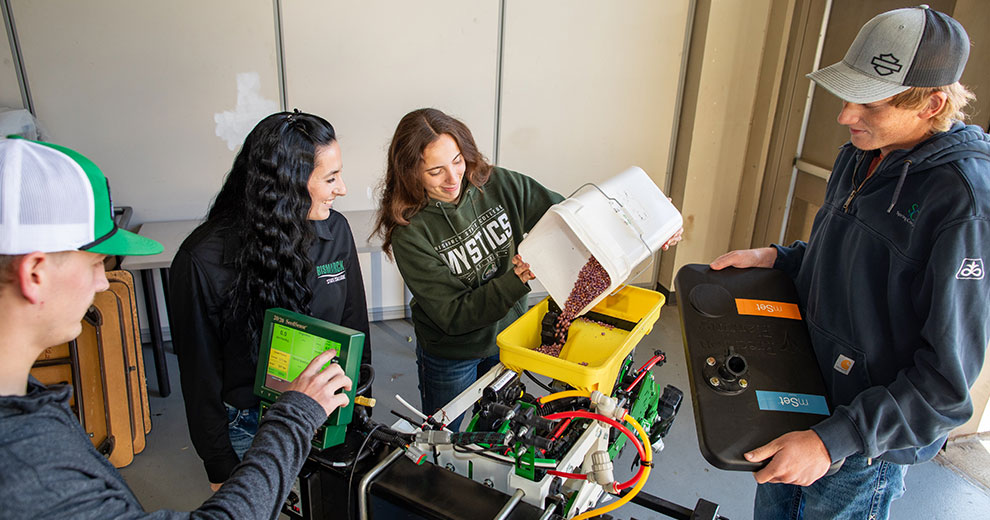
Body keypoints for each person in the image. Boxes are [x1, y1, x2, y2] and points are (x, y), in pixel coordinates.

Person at [710, 6, 989, 519]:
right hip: (802, 401)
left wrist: (832, 442)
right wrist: (779, 258)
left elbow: (945, 388)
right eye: (848, 98)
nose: (845, 117)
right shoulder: (864, 152)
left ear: (932, 103)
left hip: (861, 449)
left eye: (870, 105)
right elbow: (848, 262)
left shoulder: (963, 204)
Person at [0, 136, 352, 518]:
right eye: (96, 262)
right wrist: (294, 414)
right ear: (34, 273)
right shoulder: (28, 467)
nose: (104, 283)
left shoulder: (28, 410)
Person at [170, 110, 370, 489]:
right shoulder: (202, 261)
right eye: (330, 178)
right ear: (289, 184)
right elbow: (200, 377)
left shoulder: (335, 230)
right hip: (249, 425)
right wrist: (219, 465)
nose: (342, 189)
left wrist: (357, 405)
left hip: (328, 410)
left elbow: (354, 324)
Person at [372, 108, 565, 428]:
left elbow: (565, 217)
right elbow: (455, 314)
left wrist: (640, 226)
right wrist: (516, 280)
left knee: (494, 430)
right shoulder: (410, 233)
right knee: (444, 435)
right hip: (452, 353)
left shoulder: (498, 184)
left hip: (508, 339)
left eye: (458, 160)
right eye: (435, 171)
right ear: (410, 174)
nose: (453, 179)